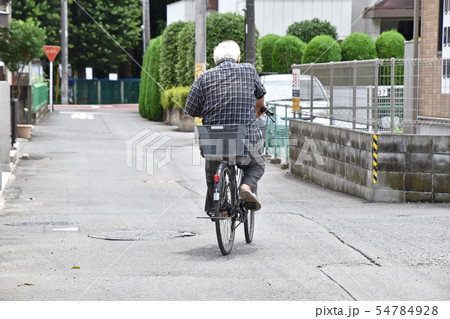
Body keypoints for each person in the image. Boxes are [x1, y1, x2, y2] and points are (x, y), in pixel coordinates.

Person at [185, 40, 267, 217]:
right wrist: (259, 108)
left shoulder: (204, 77)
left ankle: (219, 207)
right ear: (238, 58)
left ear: (216, 60)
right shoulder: (248, 70)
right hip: (245, 139)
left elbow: (190, 109)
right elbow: (260, 97)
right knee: (257, 164)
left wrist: (204, 112)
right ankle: (245, 187)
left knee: (212, 167)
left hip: (214, 139)